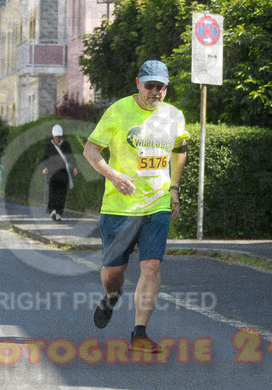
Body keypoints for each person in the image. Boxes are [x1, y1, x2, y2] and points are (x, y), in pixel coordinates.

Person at [83, 60, 189, 353]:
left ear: (167, 87)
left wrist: (174, 189)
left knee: (152, 266)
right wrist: (113, 176)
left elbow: (180, 149)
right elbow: (91, 149)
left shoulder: (174, 115)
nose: (155, 92)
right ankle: (111, 296)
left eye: (161, 87)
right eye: (150, 85)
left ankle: (139, 333)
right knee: (113, 273)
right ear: (138, 83)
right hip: (119, 207)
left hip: (157, 204)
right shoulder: (118, 110)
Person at [42, 124, 78, 221]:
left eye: (59, 136)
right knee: (52, 192)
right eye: (56, 136)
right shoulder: (49, 146)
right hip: (52, 173)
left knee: (62, 193)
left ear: (61, 136)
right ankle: (52, 210)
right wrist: (44, 167)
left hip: (63, 173)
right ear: (53, 136)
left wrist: (75, 167)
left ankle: (59, 212)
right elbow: (45, 158)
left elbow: (71, 156)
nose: (58, 138)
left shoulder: (66, 145)